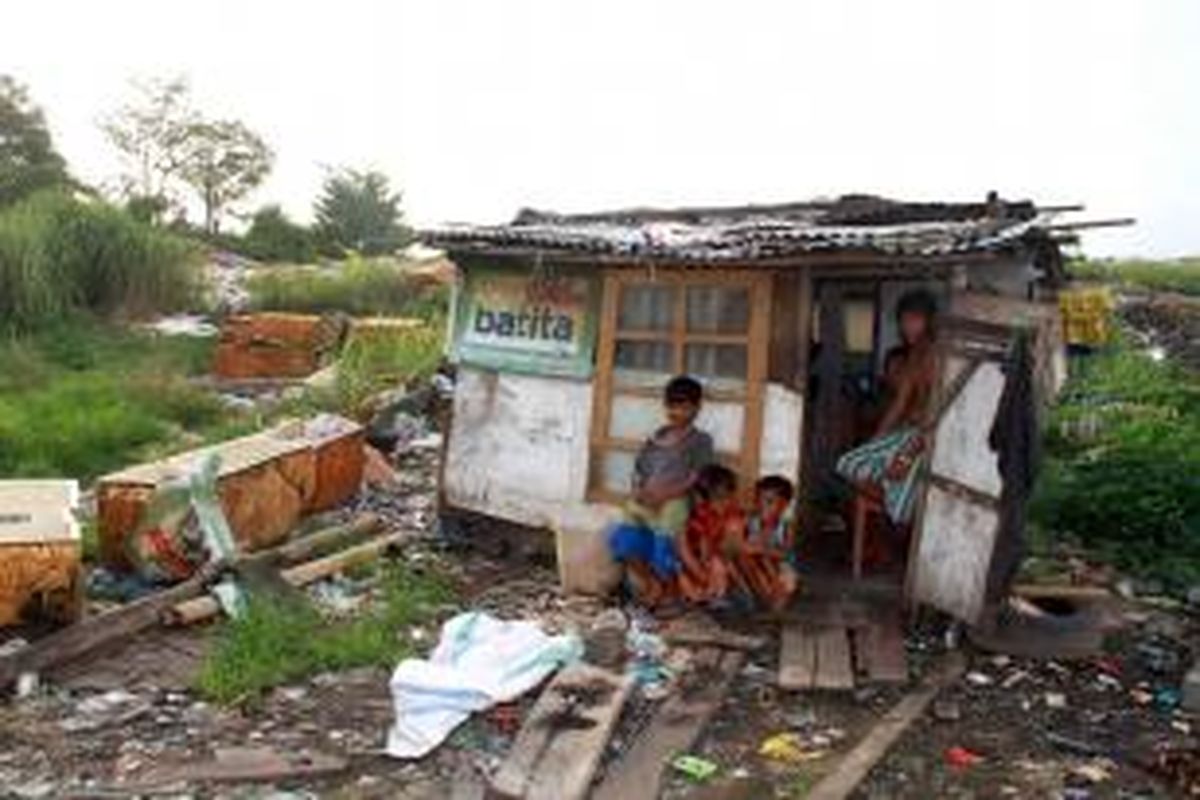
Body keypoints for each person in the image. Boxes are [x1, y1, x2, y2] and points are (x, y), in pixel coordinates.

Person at [609, 375, 715, 607]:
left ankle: (669, 592)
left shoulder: (700, 441)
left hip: (675, 502)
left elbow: (696, 476)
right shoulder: (655, 438)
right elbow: (639, 470)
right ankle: (651, 583)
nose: (677, 412)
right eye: (672, 406)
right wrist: (638, 491)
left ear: (697, 408)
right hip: (645, 500)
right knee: (624, 541)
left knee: (665, 548)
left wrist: (665, 496)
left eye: (684, 407)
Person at [836, 290, 938, 526]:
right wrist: (875, 442)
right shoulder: (915, 355)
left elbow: (937, 412)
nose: (907, 327)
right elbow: (899, 404)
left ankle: (899, 505)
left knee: (901, 512)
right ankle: (892, 497)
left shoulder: (939, 354)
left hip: (928, 440)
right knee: (849, 465)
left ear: (929, 321)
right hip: (909, 432)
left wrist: (907, 457)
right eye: (904, 321)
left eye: (914, 320)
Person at [678, 465, 744, 603]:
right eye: (718, 499)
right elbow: (701, 546)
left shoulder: (734, 512)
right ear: (703, 499)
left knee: (721, 565)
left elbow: (733, 543)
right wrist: (705, 566)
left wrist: (721, 557)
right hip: (698, 559)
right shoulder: (699, 515)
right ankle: (708, 595)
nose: (724, 502)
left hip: (720, 556)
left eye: (728, 497)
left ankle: (718, 595)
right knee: (686, 578)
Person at [735, 475, 799, 611]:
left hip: (780, 567)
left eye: (770, 502)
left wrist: (762, 549)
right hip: (756, 568)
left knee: (782, 600)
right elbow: (739, 545)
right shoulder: (750, 522)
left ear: (784, 505)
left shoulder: (786, 527)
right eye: (758, 501)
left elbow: (786, 554)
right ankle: (761, 595)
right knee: (745, 557)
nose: (762, 506)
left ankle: (772, 596)